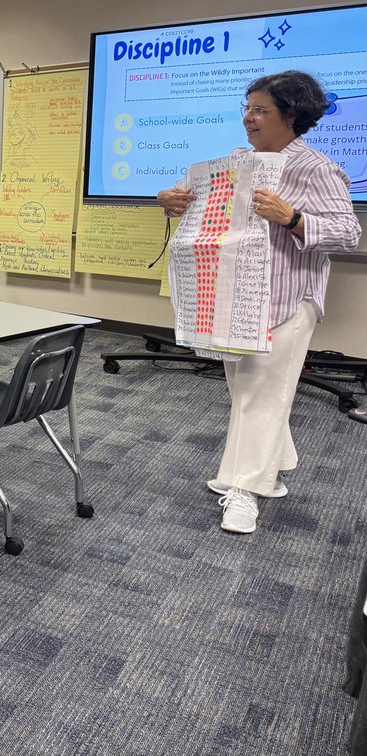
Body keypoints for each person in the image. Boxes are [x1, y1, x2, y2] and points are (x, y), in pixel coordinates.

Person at [157, 70, 362, 534]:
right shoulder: (236, 160)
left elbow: (348, 234)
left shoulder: (316, 168)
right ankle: (275, 458)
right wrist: (173, 200)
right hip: (237, 297)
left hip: (289, 299)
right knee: (247, 391)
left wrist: (292, 218)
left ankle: (245, 490)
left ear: (291, 116)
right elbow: (211, 212)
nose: (248, 118)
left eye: (260, 110)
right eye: (247, 108)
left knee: (262, 397)